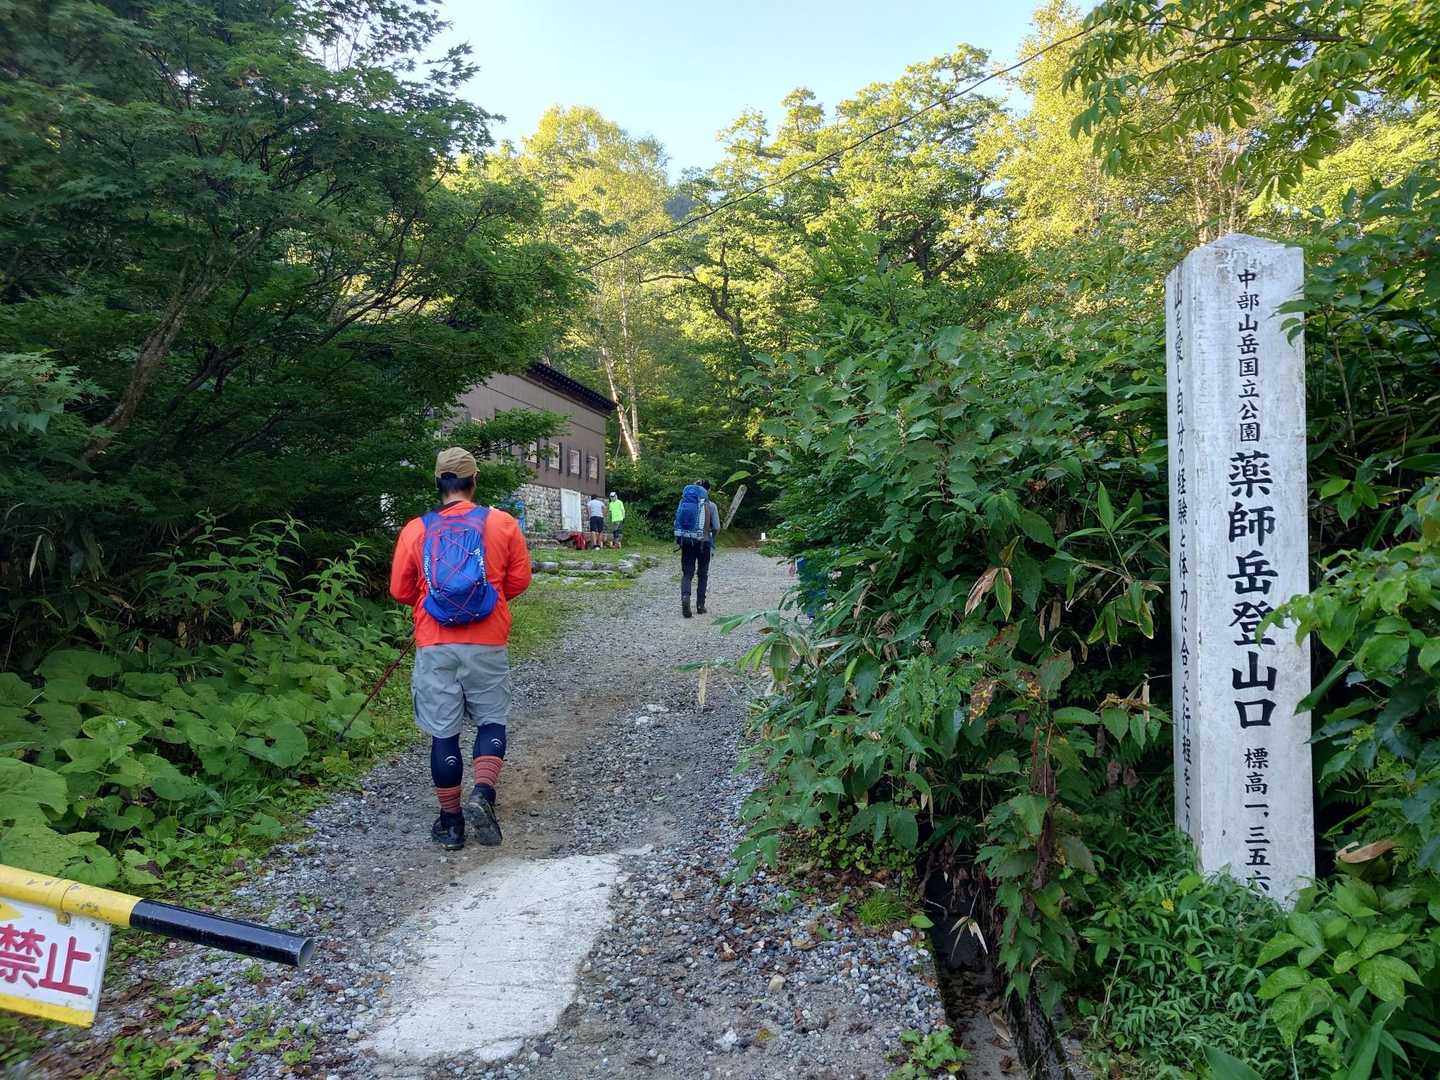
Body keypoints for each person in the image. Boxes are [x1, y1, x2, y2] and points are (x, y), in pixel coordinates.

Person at [390, 447, 532, 851]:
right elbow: (519, 581)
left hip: (435, 641)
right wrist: (483, 603)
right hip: (487, 639)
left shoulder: (416, 529)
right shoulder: (502, 523)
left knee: (444, 732)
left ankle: (451, 824)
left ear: (438, 481)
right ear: (475, 480)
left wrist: (437, 604)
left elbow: (400, 589)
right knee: (491, 721)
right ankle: (482, 795)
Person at [676, 480, 721, 618]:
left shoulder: (683, 502)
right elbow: (717, 527)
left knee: (687, 573)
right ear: (708, 490)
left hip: (687, 542)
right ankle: (700, 605)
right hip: (704, 543)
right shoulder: (711, 505)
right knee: (702, 574)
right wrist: (711, 537)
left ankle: (685, 597)